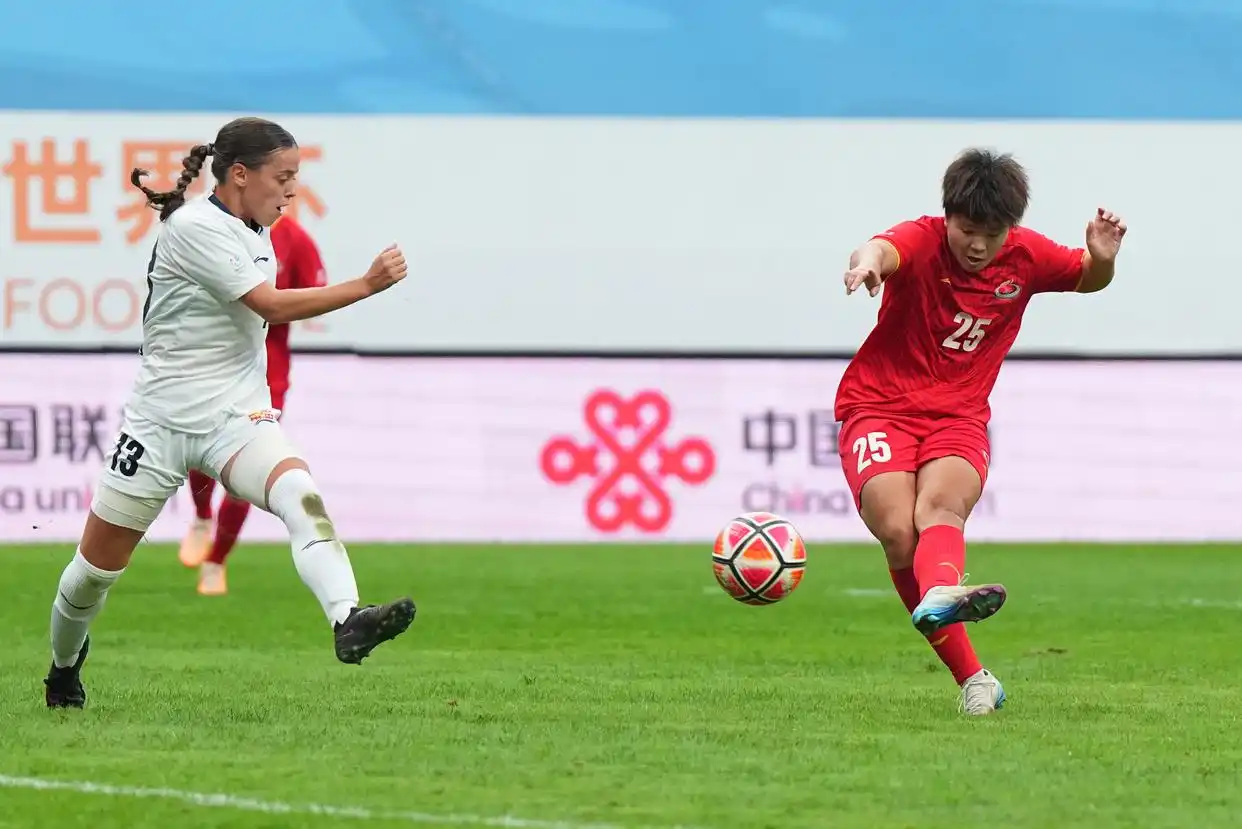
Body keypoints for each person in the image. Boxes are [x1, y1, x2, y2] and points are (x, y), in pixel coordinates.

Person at [44, 117, 416, 709]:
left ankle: (348, 618)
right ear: (239, 174)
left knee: (300, 495)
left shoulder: (258, 230)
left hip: (236, 420)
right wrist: (367, 284)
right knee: (93, 575)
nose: (292, 189)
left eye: (296, 177)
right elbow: (270, 304)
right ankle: (63, 670)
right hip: (160, 424)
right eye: (283, 176)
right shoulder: (194, 226)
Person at [835, 148, 1127, 716]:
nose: (977, 245)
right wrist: (866, 265)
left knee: (940, 507)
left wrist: (1102, 259)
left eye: (991, 235)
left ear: (1009, 229)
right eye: (967, 230)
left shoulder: (1027, 256)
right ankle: (974, 675)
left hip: (959, 415)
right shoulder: (920, 241)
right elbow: (879, 249)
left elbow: (1088, 278)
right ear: (947, 217)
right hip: (878, 406)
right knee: (897, 531)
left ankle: (943, 595)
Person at [179, 214, 326, 596]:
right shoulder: (213, 228)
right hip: (217, 361)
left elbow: (317, 297)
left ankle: (216, 561)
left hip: (267, 374)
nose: (282, 194)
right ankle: (201, 516)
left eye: (288, 187)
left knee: (248, 467)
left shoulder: (295, 239)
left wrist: (278, 305)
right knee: (199, 448)